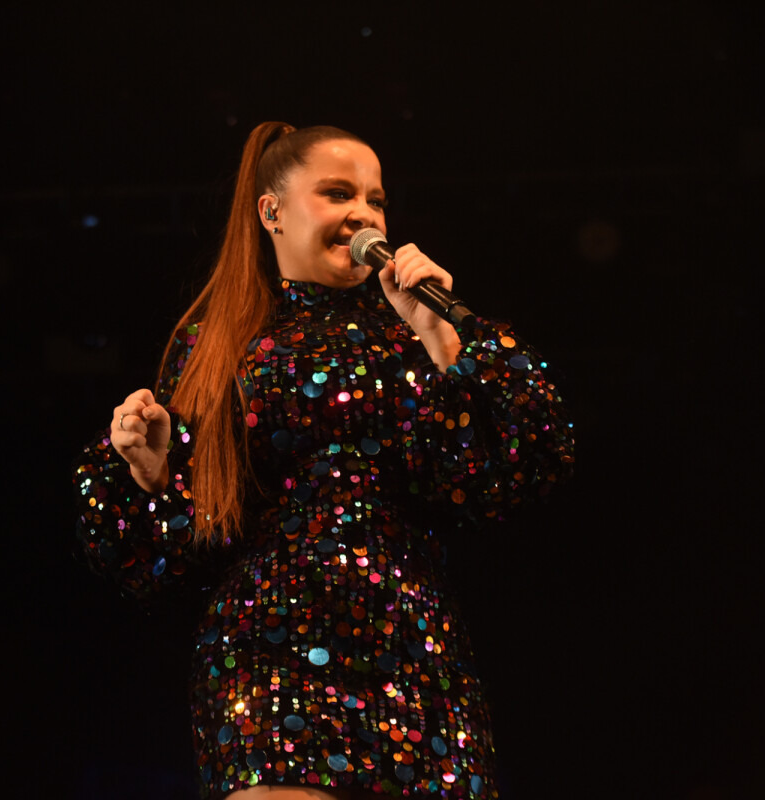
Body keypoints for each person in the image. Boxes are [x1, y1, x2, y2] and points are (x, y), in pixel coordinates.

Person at [74, 121, 575, 800]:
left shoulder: (411, 332)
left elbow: (515, 464)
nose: (365, 214)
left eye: (376, 199)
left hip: (411, 648)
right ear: (271, 211)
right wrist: (153, 474)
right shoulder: (218, 345)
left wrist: (435, 332)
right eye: (338, 193)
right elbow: (165, 560)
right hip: (270, 652)